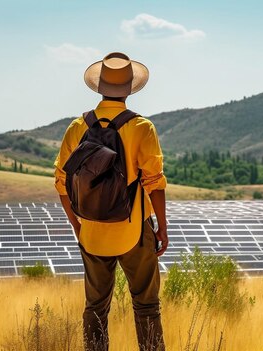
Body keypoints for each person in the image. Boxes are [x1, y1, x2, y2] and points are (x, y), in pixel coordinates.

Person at [53, 52, 168, 351]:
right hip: (133, 230)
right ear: (129, 89)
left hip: (91, 232)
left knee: (95, 308)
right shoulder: (142, 127)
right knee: (146, 306)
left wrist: (78, 226)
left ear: (99, 86)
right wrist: (162, 229)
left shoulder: (77, 127)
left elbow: (61, 183)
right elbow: (154, 183)